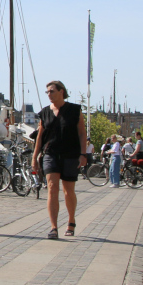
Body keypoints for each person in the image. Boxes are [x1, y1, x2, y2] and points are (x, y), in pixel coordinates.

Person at [32, 80, 85, 239]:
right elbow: (40, 136)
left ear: (62, 91)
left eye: (52, 91)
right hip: (50, 153)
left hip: (70, 154)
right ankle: (53, 227)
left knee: (68, 191)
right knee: (52, 186)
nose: (49, 94)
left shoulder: (74, 110)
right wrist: (35, 157)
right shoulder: (45, 112)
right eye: (47, 92)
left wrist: (83, 154)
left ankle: (71, 220)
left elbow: (82, 133)